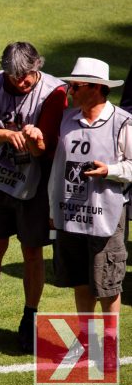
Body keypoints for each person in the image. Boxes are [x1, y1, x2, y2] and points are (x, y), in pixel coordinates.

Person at [0, 42, 67, 353]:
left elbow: (47, 149)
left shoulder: (55, 93)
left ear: (38, 67)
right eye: (14, 77)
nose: (19, 82)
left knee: (32, 252)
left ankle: (29, 320)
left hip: (36, 187)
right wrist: (7, 135)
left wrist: (35, 140)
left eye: (26, 76)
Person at [49, 58, 132, 319]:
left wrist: (110, 170)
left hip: (106, 217)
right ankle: (87, 342)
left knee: (107, 285)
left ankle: (106, 349)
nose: (70, 92)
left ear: (96, 88)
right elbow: (57, 168)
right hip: (71, 214)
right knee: (80, 281)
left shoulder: (122, 122)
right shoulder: (66, 120)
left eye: (75, 86)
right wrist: (53, 210)